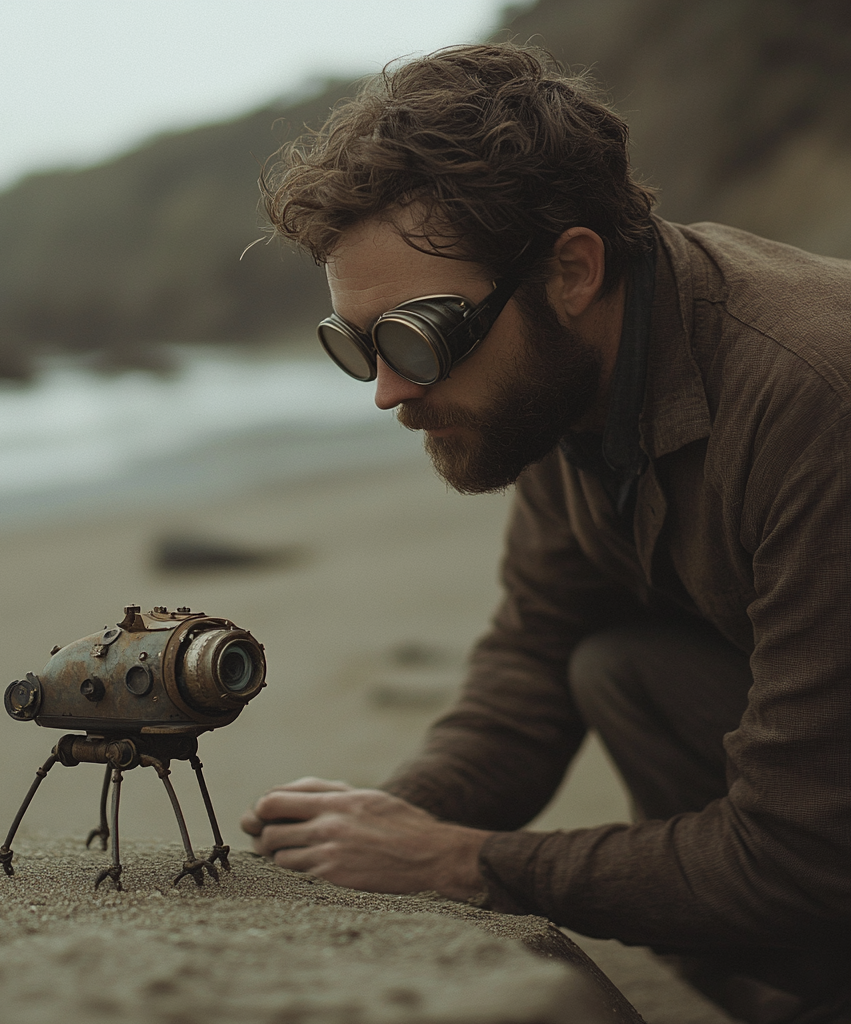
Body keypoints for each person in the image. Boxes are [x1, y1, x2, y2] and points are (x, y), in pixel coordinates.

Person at [240, 44, 850, 1023]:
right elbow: (531, 663)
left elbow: (804, 848)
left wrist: (462, 861)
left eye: (415, 336)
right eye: (354, 347)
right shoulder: (573, 381)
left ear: (569, 270)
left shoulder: (812, 400)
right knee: (614, 661)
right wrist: (377, 826)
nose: (389, 390)